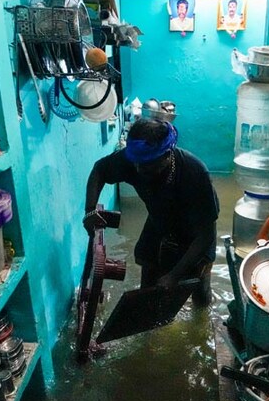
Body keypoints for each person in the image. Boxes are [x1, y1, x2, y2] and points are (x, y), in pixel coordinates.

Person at [84, 117, 218, 306]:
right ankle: (147, 323)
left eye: (147, 164)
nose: (139, 169)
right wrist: (90, 210)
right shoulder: (134, 160)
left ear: (167, 155)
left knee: (198, 286)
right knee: (148, 282)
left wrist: (174, 275)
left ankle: (203, 320)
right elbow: (99, 170)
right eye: (136, 162)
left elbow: (205, 236)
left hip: (194, 233)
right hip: (159, 222)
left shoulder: (195, 174)